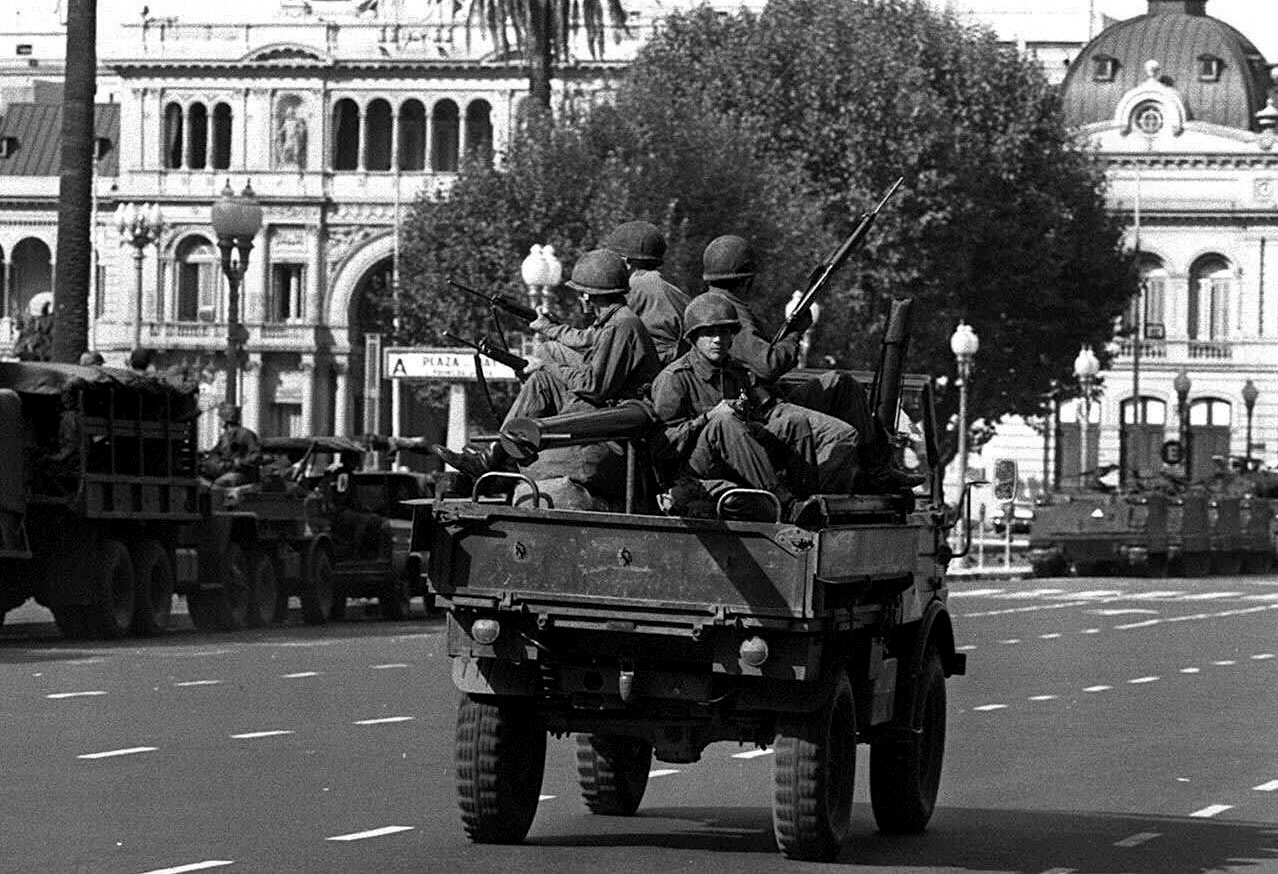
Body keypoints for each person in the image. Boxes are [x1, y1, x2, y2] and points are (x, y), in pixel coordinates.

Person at [698, 234, 923, 493]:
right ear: (747, 280)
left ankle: (877, 470)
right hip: (760, 412)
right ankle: (810, 497)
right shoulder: (726, 312)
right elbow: (768, 364)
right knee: (841, 435)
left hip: (767, 403)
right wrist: (796, 332)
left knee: (841, 384)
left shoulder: (720, 306)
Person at [434, 249, 661, 478]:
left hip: (615, 415)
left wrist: (545, 366)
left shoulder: (620, 326)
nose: (580, 298)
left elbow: (594, 387)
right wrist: (547, 332)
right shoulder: (615, 321)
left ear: (588, 296)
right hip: (611, 408)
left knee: (544, 375)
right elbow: (583, 343)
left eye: (580, 293)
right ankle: (498, 457)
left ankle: (494, 459)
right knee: (544, 372)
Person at [652, 293, 862, 510]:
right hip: (693, 470)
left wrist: (753, 427)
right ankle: (786, 503)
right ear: (693, 337)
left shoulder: (736, 373)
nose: (718, 339)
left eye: (724, 332)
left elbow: (753, 419)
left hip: (735, 459)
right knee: (723, 422)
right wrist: (707, 418)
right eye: (709, 333)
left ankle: (807, 501)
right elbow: (660, 447)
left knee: (795, 423)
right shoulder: (674, 378)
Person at [530, 221, 691, 367]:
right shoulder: (667, 288)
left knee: (549, 351)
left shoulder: (634, 286)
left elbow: (593, 341)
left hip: (645, 370)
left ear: (626, 262)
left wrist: (550, 329)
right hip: (668, 366)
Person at [201, 402, 263, 487]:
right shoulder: (225, 436)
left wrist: (239, 463)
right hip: (226, 471)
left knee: (220, 484)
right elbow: (216, 453)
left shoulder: (246, 434)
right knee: (202, 481)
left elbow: (256, 455)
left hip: (243, 474)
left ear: (226, 420)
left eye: (221, 419)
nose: (220, 422)